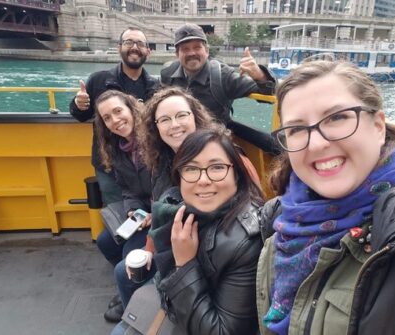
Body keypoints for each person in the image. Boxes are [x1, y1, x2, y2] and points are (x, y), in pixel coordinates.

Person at [257, 60, 395, 335]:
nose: (317, 143)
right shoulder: (282, 217)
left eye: (337, 117)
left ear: (379, 126)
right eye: (296, 129)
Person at [113, 127, 266, 335]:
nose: (203, 180)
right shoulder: (181, 211)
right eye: (191, 169)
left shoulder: (246, 242)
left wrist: (184, 264)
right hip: (180, 306)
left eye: (217, 167)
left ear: (237, 175)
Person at [70, 27, 158, 205]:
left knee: (147, 209)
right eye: (128, 42)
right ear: (119, 48)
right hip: (108, 165)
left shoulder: (156, 87)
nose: (134, 47)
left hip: (144, 166)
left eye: (140, 43)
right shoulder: (99, 80)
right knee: (116, 211)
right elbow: (82, 115)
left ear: (148, 51)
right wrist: (79, 105)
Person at [160, 23, 279, 154]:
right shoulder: (167, 74)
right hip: (178, 141)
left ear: (207, 50)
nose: (192, 53)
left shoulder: (222, 75)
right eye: (185, 49)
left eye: (197, 47)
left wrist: (260, 76)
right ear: (177, 54)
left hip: (213, 143)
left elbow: (268, 95)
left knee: (275, 145)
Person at [93, 90, 152, 322]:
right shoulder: (117, 148)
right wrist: (132, 209)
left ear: (131, 109)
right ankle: (129, 286)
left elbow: (171, 186)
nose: (115, 120)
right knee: (105, 242)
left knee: (127, 259)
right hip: (141, 212)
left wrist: (153, 215)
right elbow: (127, 188)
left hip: (162, 212)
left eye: (118, 111)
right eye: (107, 118)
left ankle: (132, 302)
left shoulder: (155, 140)